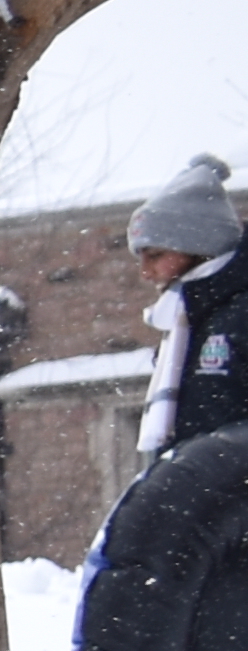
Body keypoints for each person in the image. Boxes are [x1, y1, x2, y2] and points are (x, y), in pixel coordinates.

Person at [132, 155, 241, 466]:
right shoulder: (186, 323)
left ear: (199, 245)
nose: (145, 272)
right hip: (202, 500)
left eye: (154, 255)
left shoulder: (234, 316)